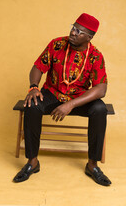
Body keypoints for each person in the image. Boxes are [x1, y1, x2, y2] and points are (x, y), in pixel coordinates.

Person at [13, 13, 112, 186]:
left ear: (89, 37)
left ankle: (92, 165)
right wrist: (34, 87)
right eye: (73, 27)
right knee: (32, 105)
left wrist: (71, 104)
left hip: (79, 98)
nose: (73, 33)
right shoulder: (57, 44)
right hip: (52, 93)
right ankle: (32, 162)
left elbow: (101, 89)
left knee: (99, 109)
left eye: (79, 31)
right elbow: (38, 67)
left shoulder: (95, 56)